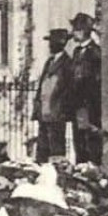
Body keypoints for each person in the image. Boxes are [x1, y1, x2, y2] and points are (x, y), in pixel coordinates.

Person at [32, 28, 74, 162]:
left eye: (52, 42)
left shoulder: (67, 63)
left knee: (56, 147)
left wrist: (62, 109)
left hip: (56, 113)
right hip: (44, 112)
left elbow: (67, 89)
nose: (50, 45)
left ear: (60, 43)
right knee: (42, 147)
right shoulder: (49, 61)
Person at [68, 12, 103, 164]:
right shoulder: (76, 52)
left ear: (82, 31)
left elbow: (95, 80)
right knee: (79, 141)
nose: (73, 33)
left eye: (76, 29)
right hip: (78, 105)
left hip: (89, 105)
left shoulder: (95, 52)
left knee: (90, 140)